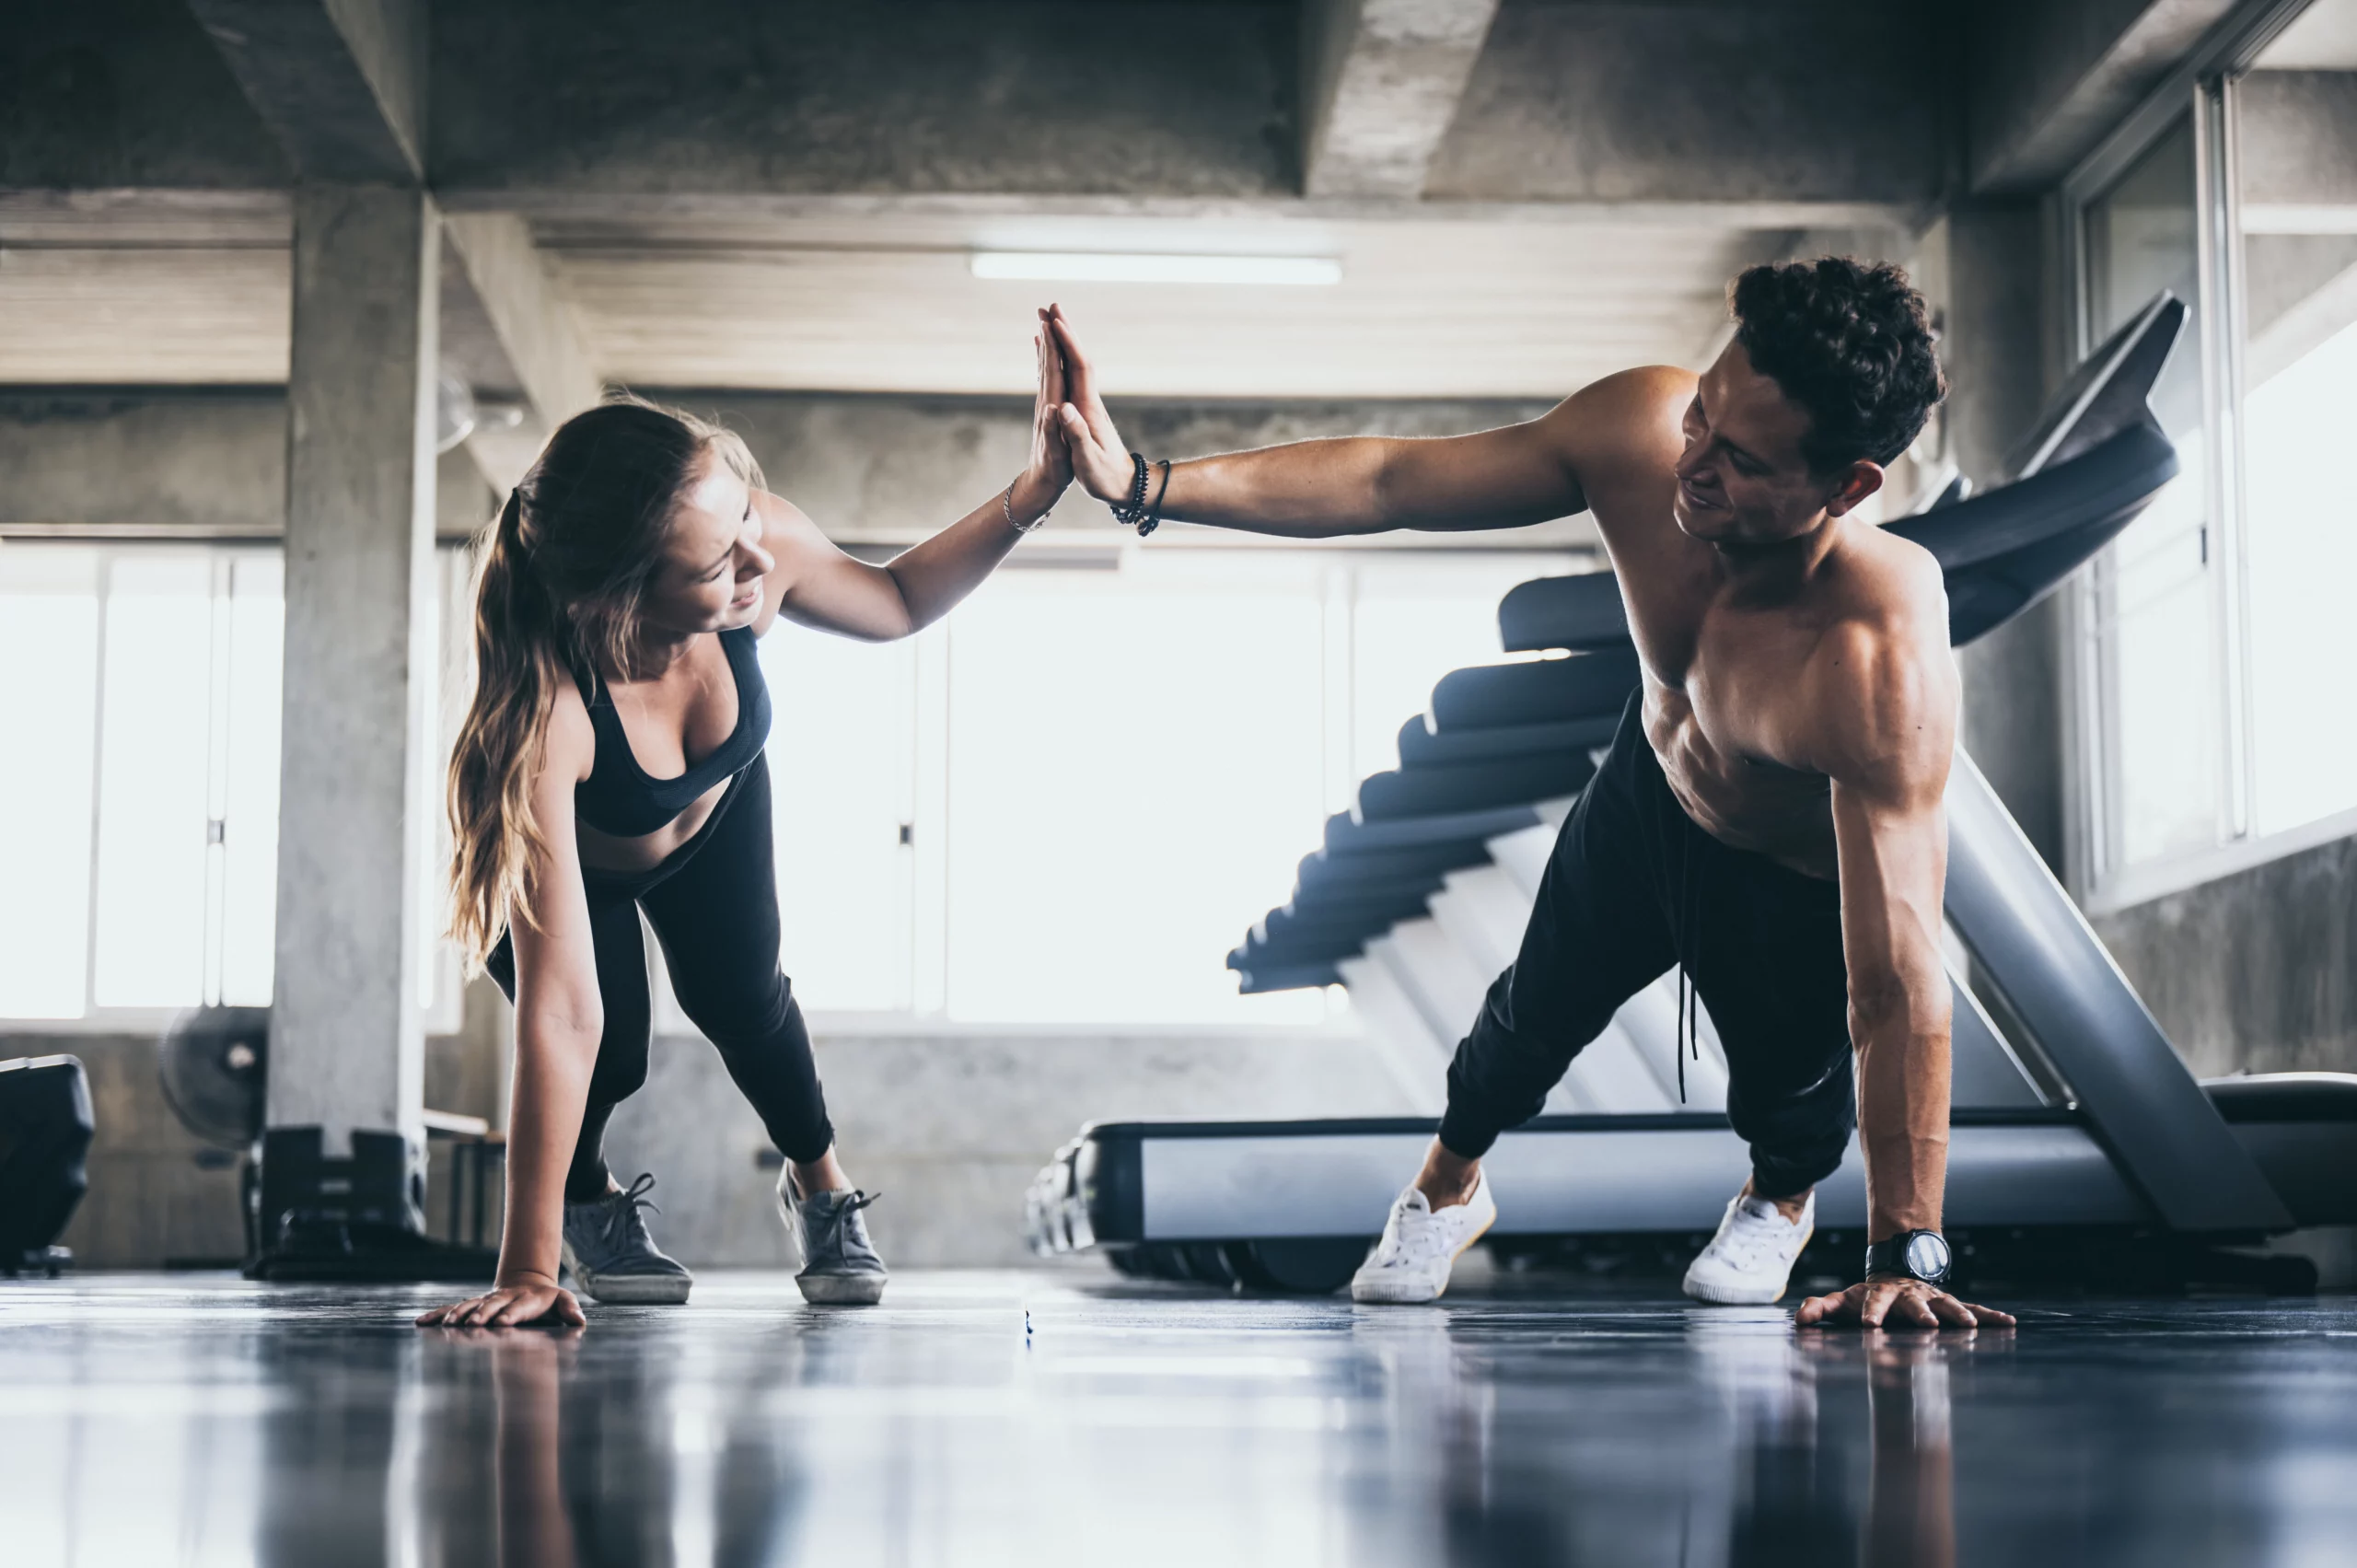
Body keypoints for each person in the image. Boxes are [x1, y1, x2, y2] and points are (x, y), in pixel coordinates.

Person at [1047, 260, 2014, 1330]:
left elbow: (1900, 980)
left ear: (1847, 488)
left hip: (1782, 873)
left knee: (1789, 1102)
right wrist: (1142, 481)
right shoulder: (1641, 426)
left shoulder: (1871, 651)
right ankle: (1447, 1185)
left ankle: (1777, 1200)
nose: (1690, 463)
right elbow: (1387, 481)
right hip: (1651, 784)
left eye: (1740, 462)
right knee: (1523, 1021)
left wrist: (1906, 1251)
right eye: (1701, 415)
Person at [416, 334, 1072, 1328]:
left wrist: (1031, 492)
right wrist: (526, 1265)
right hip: (578, 864)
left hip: (712, 813)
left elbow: (893, 600)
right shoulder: (545, 716)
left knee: (745, 997)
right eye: (720, 560)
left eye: (743, 518)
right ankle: (585, 1204)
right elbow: (559, 1011)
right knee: (615, 1047)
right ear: (618, 599)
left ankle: (820, 1186)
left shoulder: (744, 539)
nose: (762, 558)